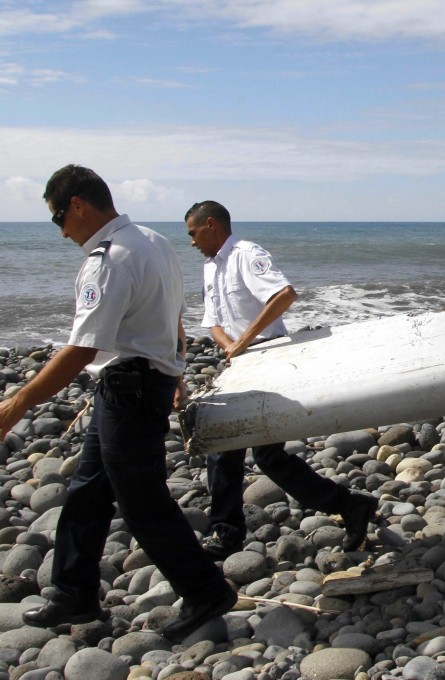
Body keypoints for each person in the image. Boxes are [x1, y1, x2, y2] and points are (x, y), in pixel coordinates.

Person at [0, 165, 235, 640]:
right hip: (136, 384)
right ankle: (74, 592)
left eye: (58, 218)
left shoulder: (108, 259)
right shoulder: (153, 242)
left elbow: (83, 348)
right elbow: (171, 318)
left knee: (143, 502)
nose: (61, 232)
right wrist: (174, 370)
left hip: (130, 390)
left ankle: (206, 589)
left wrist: (18, 402)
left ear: (78, 206)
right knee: (88, 490)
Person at [184, 200, 378, 558]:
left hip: (269, 357)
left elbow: (284, 295)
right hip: (240, 362)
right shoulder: (210, 267)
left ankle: (230, 533)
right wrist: (230, 347)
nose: (192, 242)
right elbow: (212, 321)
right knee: (237, 450)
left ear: (211, 224)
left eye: (194, 233)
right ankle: (346, 506)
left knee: (256, 452)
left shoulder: (246, 255)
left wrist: (243, 342)